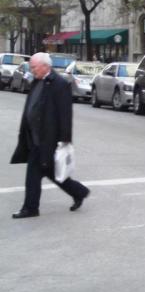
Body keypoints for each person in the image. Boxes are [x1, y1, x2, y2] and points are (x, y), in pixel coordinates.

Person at [10, 52, 90, 219]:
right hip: (35, 138)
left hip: (48, 139)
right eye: (31, 67)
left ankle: (30, 208)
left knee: (35, 174)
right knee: (50, 172)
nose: (32, 70)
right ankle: (79, 192)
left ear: (45, 66)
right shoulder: (37, 81)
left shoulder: (59, 84)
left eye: (34, 67)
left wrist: (65, 140)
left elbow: (65, 114)